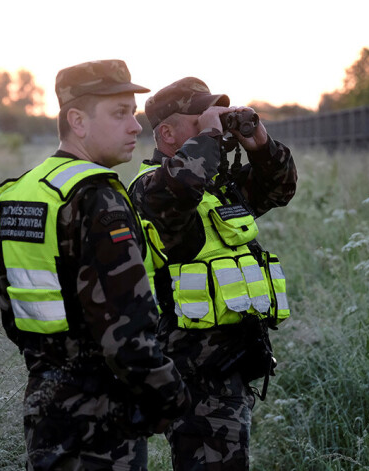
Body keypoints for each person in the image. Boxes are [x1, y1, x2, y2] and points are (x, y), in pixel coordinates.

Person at [0, 60, 189, 471]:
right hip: (103, 419)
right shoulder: (98, 196)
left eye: (134, 113)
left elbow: (15, 315)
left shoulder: (23, 191)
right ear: (77, 121)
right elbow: (127, 333)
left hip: (45, 405)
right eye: (120, 113)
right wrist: (172, 395)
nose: (136, 127)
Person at [128, 77, 298, 470]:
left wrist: (259, 143)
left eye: (219, 115)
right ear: (167, 133)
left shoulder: (215, 188)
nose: (217, 124)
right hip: (192, 373)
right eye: (201, 118)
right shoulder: (151, 189)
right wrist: (209, 137)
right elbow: (180, 186)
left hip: (229, 364)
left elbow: (280, 189)